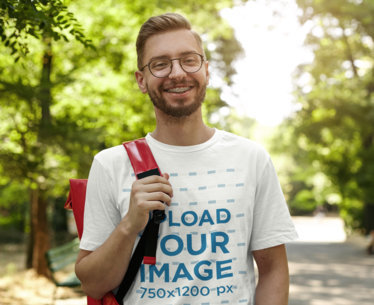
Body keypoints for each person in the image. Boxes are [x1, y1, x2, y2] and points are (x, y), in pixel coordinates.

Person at [75, 12, 298, 305]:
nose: (176, 73)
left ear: (206, 70)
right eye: (160, 64)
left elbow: (272, 270)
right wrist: (130, 225)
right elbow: (92, 284)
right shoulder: (111, 164)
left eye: (188, 60)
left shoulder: (251, 159)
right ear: (142, 81)